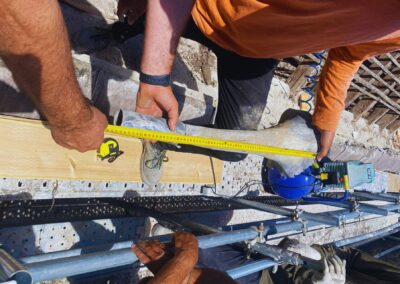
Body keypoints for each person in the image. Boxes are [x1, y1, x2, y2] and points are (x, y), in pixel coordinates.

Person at [116, 0, 400, 186]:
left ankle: (161, 140)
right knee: (136, 18)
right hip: (208, 8)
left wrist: (327, 120)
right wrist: (155, 70)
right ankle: (122, 30)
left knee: (233, 151)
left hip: (256, 57)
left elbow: (348, 54)